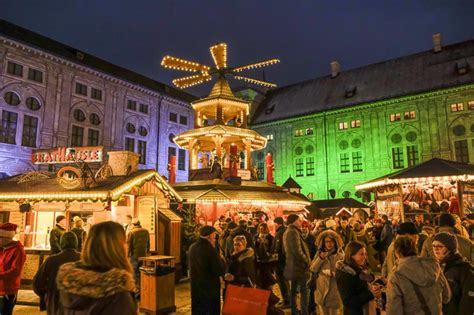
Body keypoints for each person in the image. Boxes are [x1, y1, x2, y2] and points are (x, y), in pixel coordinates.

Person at [56, 221, 137, 314]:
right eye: (124, 242)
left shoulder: (68, 282)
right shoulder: (118, 291)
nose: (126, 246)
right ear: (117, 247)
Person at [386, 236, 451, 315]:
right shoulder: (433, 266)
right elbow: (446, 297)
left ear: (397, 253)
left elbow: (394, 310)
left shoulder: (397, 276)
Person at [33, 232, 81, 314]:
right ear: (76, 243)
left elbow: (37, 283)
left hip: (55, 303)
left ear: (61, 243)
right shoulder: (83, 259)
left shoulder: (51, 260)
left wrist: (47, 295)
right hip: (78, 304)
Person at [431, 232, 474, 315]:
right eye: (433, 246)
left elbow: (468, 300)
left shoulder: (463, 268)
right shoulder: (434, 266)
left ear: (450, 248)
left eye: (440, 246)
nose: (436, 249)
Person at [189, 225, 225, 315]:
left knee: (198, 309)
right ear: (209, 236)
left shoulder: (193, 247)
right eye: (214, 235)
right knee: (209, 309)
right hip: (209, 287)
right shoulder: (209, 249)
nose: (215, 238)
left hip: (196, 284)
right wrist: (222, 260)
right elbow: (218, 269)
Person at [336, 241, 378, 315]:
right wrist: (370, 294)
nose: (365, 257)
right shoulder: (345, 275)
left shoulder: (359, 268)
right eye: (361, 254)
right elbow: (348, 302)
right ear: (351, 255)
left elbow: (365, 283)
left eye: (365, 254)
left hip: (365, 309)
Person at [310, 230, 344, 315]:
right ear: (323, 242)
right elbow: (313, 269)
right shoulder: (319, 253)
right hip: (321, 288)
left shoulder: (340, 255)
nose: (329, 244)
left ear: (335, 242)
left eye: (332, 241)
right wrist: (320, 258)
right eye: (327, 241)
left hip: (334, 290)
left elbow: (344, 272)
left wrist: (335, 274)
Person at [283, 214, 311, 315]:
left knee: (294, 290)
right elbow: (297, 250)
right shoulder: (292, 232)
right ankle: (304, 312)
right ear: (294, 221)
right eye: (299, 220)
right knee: (304, 291)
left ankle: (295, 310)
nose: (300, 222)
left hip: (293, 265)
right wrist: (307, 261)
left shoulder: (289, 231)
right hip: (299, 266)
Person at [0, 223, 26, 315]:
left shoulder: (18, 250)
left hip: (8, 290)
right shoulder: (2, 248)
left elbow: (15, 271)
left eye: (0, 237)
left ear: (8, 237)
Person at [127, 218, 150, 293]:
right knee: (142, 271)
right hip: (143, 255)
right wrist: (147, 252)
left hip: (135, 255)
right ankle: (143, 287)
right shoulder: (146, 231)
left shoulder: (132, 232)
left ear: (133, 224)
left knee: (134, 271)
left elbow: (129, 244)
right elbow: (148, 243)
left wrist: (127, 255)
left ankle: (137, 289)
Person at [272, 216, 290, 308]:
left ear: (277, 224)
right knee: (284, 281)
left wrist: (274, 254)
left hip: (280, 261)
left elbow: (277, 247)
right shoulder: (284, 231)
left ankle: (287, 301)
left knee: (282, 281)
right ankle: (287, 300)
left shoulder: (280, 232)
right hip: (282, 260)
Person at [254, 222, 276, 289]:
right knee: (260, 277)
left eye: (263, 229)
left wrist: (269, 252)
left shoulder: (270, 237)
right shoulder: (256, 236)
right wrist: (257, 242)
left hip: (268, 260)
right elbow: (254, 246)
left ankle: (268, 291)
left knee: (268, 276)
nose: (261, 230)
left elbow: (272, 247)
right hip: (259, 259)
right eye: (260, 229)